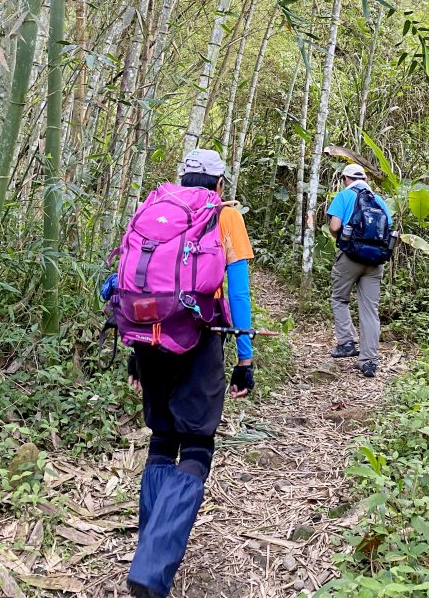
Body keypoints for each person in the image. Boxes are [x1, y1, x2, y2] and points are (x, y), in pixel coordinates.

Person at [125, 148, 255, 598]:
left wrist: (132, 350)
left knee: (162, 438)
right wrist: (245, 357)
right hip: (200, 337)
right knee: (197, 444)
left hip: (148, 336)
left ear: (183, 177)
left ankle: (149, 552)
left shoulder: (152, 207)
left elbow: (128, 281)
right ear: (219, 183)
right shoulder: (225, 216)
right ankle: (153, 564)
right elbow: (237, 291)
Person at [327, 162, 393, 377]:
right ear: (364, 179)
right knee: (369, 310)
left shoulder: (343, 196)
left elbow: (335, 227)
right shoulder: (379, 200)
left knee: (340, 298)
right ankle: (369, 361)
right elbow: (388, 230)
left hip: (350, 258)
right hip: (375, 261)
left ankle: (346, 342)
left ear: (346, 179)